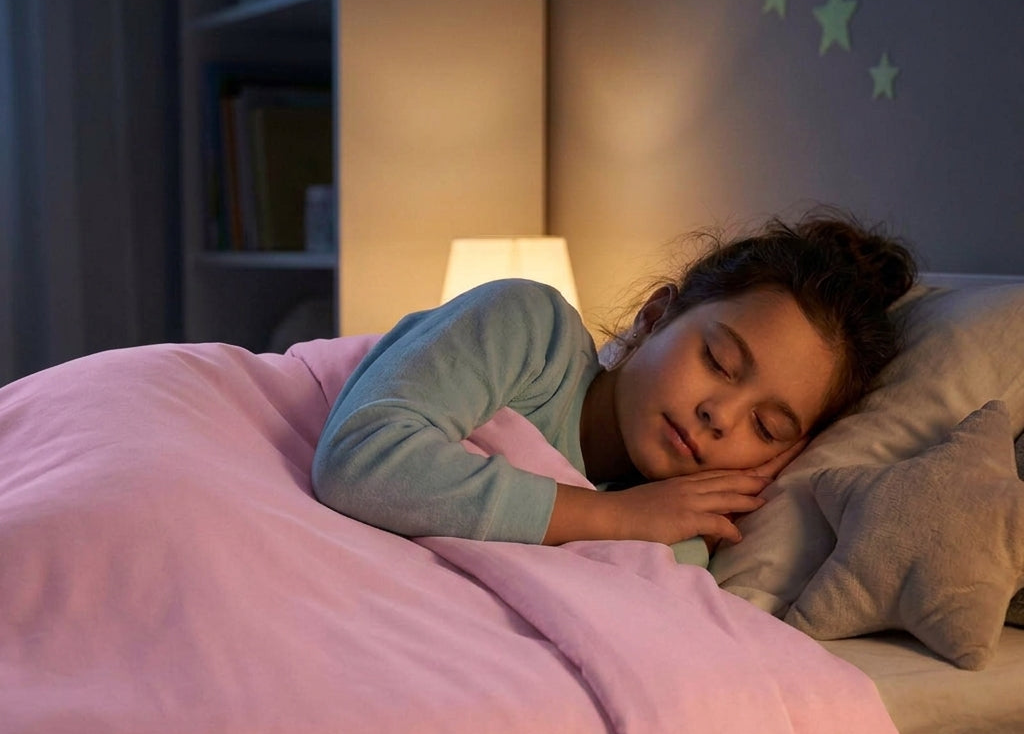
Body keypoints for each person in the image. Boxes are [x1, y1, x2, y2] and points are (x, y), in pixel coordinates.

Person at [311, 209, 916, 565]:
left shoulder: (674, 546)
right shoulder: (530, 330)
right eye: (720, 362)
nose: (719, 415)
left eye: (767, 428)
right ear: (654, 317)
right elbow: (360, 459)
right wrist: (612, 515)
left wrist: (647, 524)